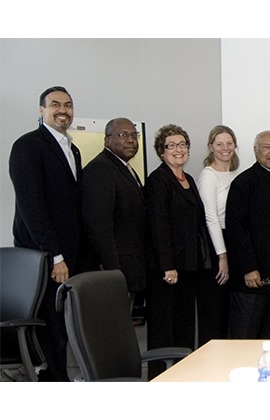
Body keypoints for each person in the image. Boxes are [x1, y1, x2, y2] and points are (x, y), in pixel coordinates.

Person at [8, 86, 81, 381]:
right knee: (49, 329)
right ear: (41, 111)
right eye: (54, 105)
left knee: (62, 327)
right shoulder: (28, 145)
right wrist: (55, 256)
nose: (62, 110)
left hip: (67, 255)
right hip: (44, 258)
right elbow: (31, 207)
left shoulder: (72, 148)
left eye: (67, 105)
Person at [144, 124, 214, 376]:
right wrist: (167, 265)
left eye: (182, 144)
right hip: (167, 270)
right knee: (164, 329)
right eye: (171, 146)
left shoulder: (189, 179)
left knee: (184, 327)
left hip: (189, 268)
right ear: (161, 152)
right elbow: (158, 225)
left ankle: (181, 377)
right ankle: (160, 379)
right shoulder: (158, 180)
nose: (178, 150)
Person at [225, 131, 270, 339]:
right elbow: (236, 229)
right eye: (267, 147)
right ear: (256, 150)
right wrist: (249, 268)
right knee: (245, 334)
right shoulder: (244, 183)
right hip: (254, 273)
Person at [81, 118, 147, 310]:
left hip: (128, 268)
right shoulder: (100, 170)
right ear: (107, 140)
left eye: (134, 135)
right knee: (110, 332)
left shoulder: (124, 168)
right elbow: (98, 226)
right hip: (113, 272)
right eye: (123, 135)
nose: (130, 140)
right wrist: (113, 272)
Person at [195, 125, 241, 342]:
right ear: (210, 147)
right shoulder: (208, 176)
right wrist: (222, 256)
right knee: (213, 313)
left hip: (232, 243)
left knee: (229, 314)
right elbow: (210, 218)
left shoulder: (236, 175)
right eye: (219, 143)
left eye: (229, 143)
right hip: (215, 249)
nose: (225, 148)